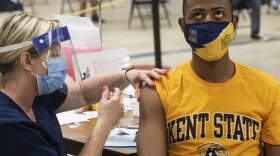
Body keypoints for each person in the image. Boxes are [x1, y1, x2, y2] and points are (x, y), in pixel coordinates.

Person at [0, 13, 167, 156]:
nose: (59, 61)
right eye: (53, 54)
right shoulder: (11, 126)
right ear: (27, 60)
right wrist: (103, 125)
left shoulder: (34, 93)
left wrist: (128, 75)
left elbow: (82, 92)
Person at [137, 0, 280, 155]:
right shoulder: (158, 91)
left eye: (218, 13)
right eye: (197, 15)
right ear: (183, 26)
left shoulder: (268, 89)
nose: (208, 22)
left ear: (234, 22)